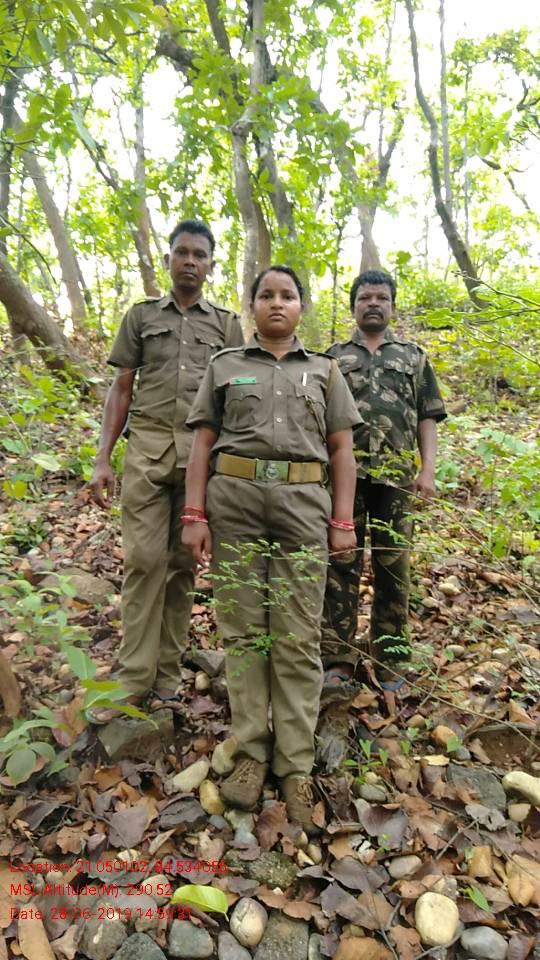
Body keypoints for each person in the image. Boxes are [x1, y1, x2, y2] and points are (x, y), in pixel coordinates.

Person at [181, 265, 359, 831]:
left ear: (301, 306)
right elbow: (202, 444)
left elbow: (342, 451)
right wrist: (194, 514)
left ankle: (296, 764)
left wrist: (343, 521)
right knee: (243, 631)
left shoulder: (326, 371)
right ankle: (252, 751)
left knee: (297, 634)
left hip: (303, 507)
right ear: (252, 305)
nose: (276, 303)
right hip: (234, 504)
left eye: (287, 295)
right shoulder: (224, 366)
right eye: (266, 295)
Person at [88, 219, 244, 721]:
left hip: (202, 460)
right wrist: (102, 458)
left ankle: (167, 679)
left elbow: (237, 398)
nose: (191, 262)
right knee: (143, 561)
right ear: (168, 259)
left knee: (181, 567)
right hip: (148, 453)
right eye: (183, 253)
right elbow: (122, 389)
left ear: (211, 264)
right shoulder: (141, 316)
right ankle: (133, 678)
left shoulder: (226, 325)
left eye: (200, 255)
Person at [321, 269, 447, 692]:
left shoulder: (413, 357)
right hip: (343, 480)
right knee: (340, 566)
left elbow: (428, 416)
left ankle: (390, 658)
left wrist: (427, 470)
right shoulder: (331, 358)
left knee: (394, 569)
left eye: (381, 297)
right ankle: (337, 657)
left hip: (396, 481)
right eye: (365, 297)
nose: (373, 303)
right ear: (354, 305)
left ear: (392, 306)